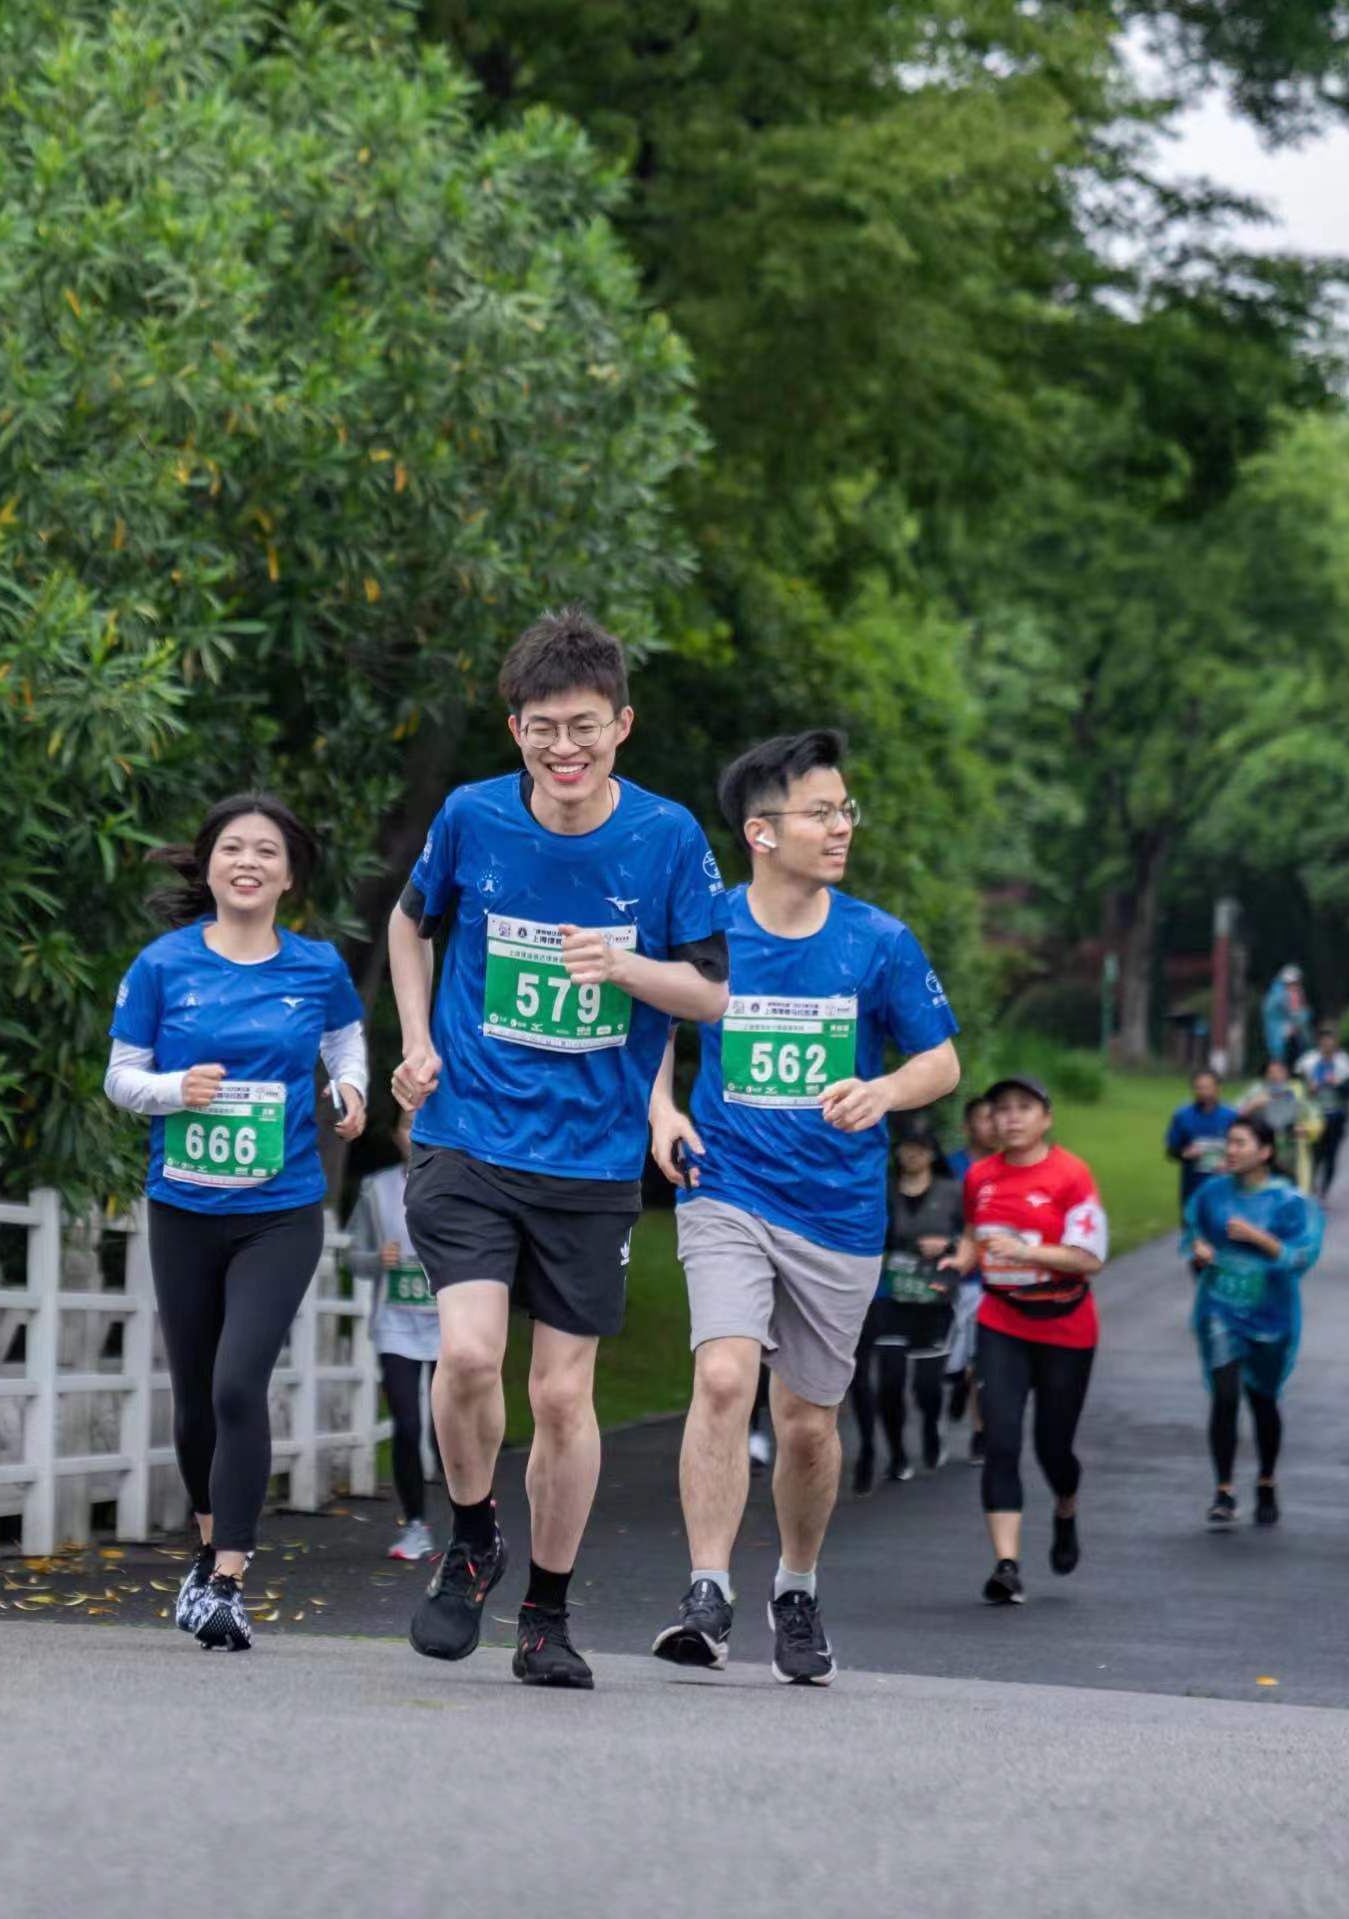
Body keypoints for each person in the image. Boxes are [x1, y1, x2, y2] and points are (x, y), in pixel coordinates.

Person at [388, 607, 729, 1689]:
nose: (564, 749)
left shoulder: (667, 838)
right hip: (468, 1133)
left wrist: (625, 968)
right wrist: (414, 1042)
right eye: (543, 728)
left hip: (589, 1158)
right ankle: (474, 1529)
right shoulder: (472, 817)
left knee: (564, 1397)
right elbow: (410, 922)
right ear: (515, 728)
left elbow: (713, 992)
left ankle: (545, 1607)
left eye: (583, 726)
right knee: (473, 1354)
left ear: (621, 725)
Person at [646, 729, 961, 1684]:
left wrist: (884, 1092)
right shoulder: (709, 930)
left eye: (845, 810)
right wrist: (660, 1109)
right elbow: (655, 1017)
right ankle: (706, 1591)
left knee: (809, 1424)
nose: (841, 827)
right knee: (724, 1377)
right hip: (726, 1186)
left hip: (837, 1210)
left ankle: (795, 1586)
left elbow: (943, 1061)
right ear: (761, 831)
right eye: (822, 812)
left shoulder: (877, 940)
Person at [107, 794, 367, 1651]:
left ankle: (227, 1577)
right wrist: (175, 1091)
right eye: (231, 847)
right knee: (193, 1401)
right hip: (183, 1204)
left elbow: (344, 1041)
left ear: (290, 874)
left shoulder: (318, 966)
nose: (247, 860)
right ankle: (208, 1537)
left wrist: (351, 1090)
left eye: (266, 850)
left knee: (235, 1382)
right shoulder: (162, 965)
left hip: (280, 1209)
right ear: (210, 865)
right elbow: (120, 1077)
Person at [950, 1076, 1108, 1605]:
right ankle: (1006, 1564)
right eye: (1001, 1110)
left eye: (1024, 1108)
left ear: (1047, 1118)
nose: (1011, 1118)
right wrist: (961, 1258)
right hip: (1002, 1321)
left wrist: (1028, 1254)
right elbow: (975, 1233)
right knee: (1000, 1439)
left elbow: (1090, 1259)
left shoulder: (1071, 1176)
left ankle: (1066, 1506)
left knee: (1052, 1448)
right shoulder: (980, 1176)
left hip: (1066, 1326)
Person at [1181, 1113, 1322, 1528]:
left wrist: (1259, 1239)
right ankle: (1223, 1490)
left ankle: (1266, 1480)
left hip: (1271, 1316)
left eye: (1241, 1143)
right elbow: (1192, 1232)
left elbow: (1301, 1257)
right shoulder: (1211, 1194)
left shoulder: (1290, 1202)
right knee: (1224, 1396)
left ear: (1265, 1151)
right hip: (1220, 1310)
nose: (1231, 1150)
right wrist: (1200, 1249)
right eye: (1230, 1142)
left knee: (1262, 1400)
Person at [844, 1122, 965, 1494]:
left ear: (932, 1153)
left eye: (919, 1147)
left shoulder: (952, 1192)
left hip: (932, 1297)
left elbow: (970, 1237)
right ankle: (897, 1453)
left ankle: (931, 1427)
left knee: (928, 1386)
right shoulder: (884, 1191)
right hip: (888, 1296)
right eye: (906, 1147)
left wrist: (946, 1246)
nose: (911, 1153)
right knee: (890, 1383)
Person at [344, 1107, 440, 1564]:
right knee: (407, 1423)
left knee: (453, 1429)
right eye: (408, 1125)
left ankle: (469, 1529)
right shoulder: (377, 1189)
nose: (416, 1133)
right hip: (396, 1324)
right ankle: (416, 1526)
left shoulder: (467, 1187)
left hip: (453, 1326)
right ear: (397, 1134)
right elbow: (353, 1257)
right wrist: (375, 1258)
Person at [943, 1094, 1002, 1438]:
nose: (993, 1125)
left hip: (998, 1279)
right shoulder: (952, 1167)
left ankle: (982, 1431)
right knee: (959, 1355)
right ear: (967, 1126)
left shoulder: (1011, 1166)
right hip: (961, 1275)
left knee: (988, 1361)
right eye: (985, 1118)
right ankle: (959, 1383)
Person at [1295, 1023, 1349, 1201]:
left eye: (1330, 1041)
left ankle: (1325, 1188)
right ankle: (1310, 1185)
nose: (1327, 1045)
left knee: (1331, 1153)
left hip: (1336, 1114)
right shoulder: (1307, 1061)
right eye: (1324, 1041)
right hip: (1312, 1115)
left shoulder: (1345, 1063)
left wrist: (1336, 1084)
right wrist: (1308, 1086)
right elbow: (1297, 1085)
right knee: (1312, 1152)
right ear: (1319, 1042)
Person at [1163, 1068, 1236, 1212]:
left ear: (1217, 1088)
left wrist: (1229, 1162)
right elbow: (1171, 1150)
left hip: (1225, 1185)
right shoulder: (1183, 1116)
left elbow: (1244, 1148)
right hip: (1193, 1185)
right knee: (1193, 1227)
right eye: (1198, 1088)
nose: (1203, 1092)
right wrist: (1185, 1154)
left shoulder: (1232, 1116)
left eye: (1207, 1087)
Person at [1238, 1056, 1315, 1188]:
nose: (1275, 1076)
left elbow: (1314, 1117)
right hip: (1261, 1154)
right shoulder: (1255, 1091)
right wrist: (1253, 1105)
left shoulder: (1296, 1092)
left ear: (1287, 1074)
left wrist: (1305, 1129)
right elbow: (1236, 1115)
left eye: (1279, 1072)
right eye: (1271, 1072)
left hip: (1290, 1154)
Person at [1260, 964, 1311, 1071]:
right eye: (1292, 983)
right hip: (1279, 1032)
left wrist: (1302, 1016)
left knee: (1300, 1047)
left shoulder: (1297, 992)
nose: (1295, 986)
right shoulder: (1277, 994)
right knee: (1280, 1053)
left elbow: (1302, 1012)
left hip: (1295, 1031)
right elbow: (1274, 1011)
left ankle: (1297, 1070)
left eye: (1296, 983)